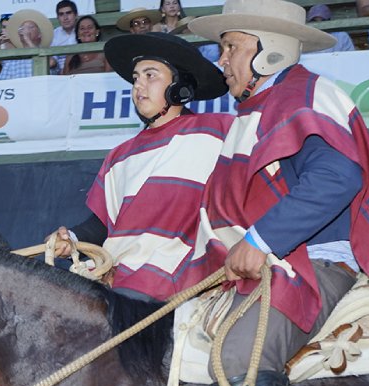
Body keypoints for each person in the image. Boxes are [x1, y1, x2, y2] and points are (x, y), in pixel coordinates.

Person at [187, 0, 369, 386]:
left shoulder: (302, 95)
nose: (222, 60)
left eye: (231, 47)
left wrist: (258, 240)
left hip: (315, 262)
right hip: (271, 262)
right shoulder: (258, 110)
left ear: (270, 50)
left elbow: (337, 178)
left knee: (236, 360)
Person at [50, 32, 233, 309]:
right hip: (114, 280)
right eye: (136, 78)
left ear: (180, 87)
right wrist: (70, 240)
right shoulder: (118, 156)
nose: (139, 86)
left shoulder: (219, 131)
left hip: (182, 283)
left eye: (151, 76)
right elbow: (101, 226)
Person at [0, 9, 54, 80]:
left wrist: (27, 39)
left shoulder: (46, 52)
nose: (25, 30)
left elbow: (51, 63)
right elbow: (3, 84)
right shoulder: (13, 61)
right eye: (22, 28)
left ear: (39, 34)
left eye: (31, 27)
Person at [51, 0, 79, 74]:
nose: (65, 17)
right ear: (57, 17)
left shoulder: (84, 31)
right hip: (59, 76)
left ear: (76, 15)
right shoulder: (53, 35)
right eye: (61, 14)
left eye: (68, 13)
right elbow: (52, 62)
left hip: (82, 72)